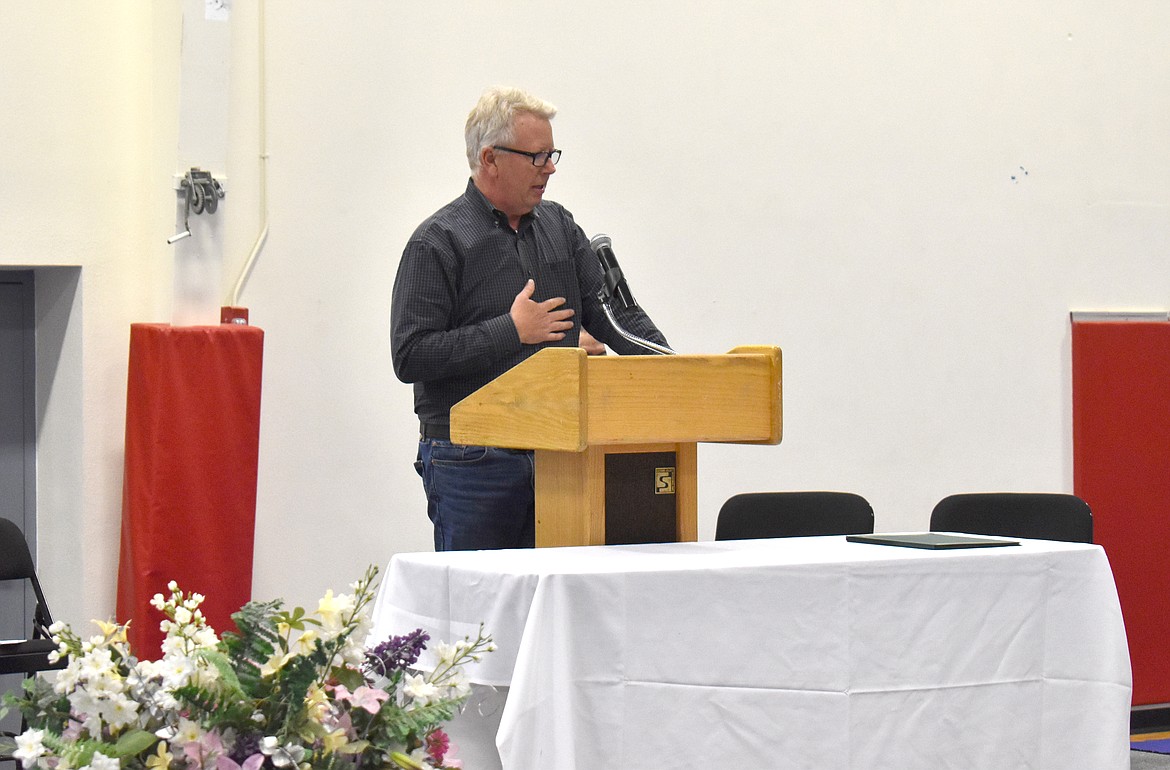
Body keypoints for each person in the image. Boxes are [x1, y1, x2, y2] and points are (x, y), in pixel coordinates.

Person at [390, 86, 669, 551]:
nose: (551, 168)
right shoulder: (438, 242)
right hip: (471, 462)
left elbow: (616, 317)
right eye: (537, 157)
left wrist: (676, 370)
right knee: (483, 616)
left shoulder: (560, 226)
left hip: (560, 453)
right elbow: (411, 355)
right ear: (490, 159)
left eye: (552, 154)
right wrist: (512, 331)